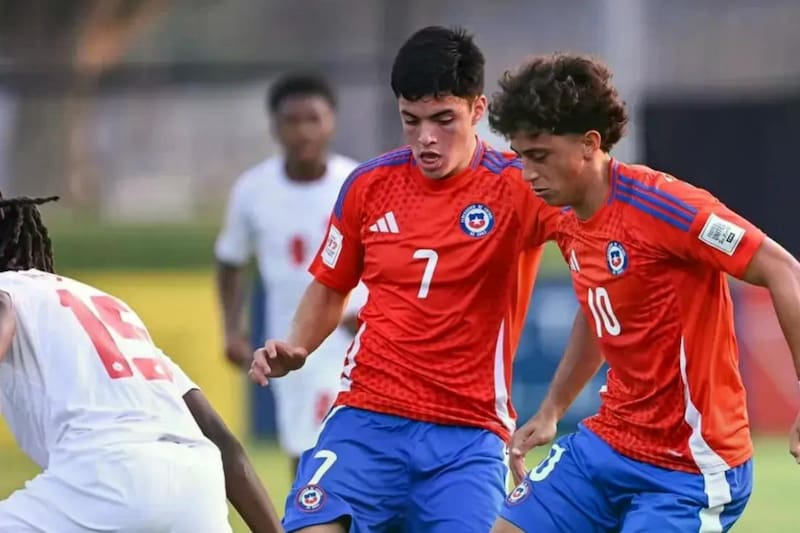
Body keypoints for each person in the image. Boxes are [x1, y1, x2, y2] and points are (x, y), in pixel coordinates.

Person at [247, 26, 572, 533]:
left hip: (468, 434)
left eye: (444, 120)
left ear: (478, 110)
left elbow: (597, 234)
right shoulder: (369, 185)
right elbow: (332, 284)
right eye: (411, 120)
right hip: (367, 418)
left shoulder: (519, 186)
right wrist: (298, 345)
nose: (426, 138)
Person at [487, 52, 800, 533]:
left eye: (540, 156)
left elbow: (783, 269)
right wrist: (551, 411)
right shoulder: (567, 218)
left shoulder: (666, 208)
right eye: (521, 156)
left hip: (690, 467)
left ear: (590, 144)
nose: (527, 174)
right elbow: (599, 313)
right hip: (608, 444)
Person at [0, 196, 283, 533]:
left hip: (106, 479)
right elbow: (226, 445)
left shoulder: (8, 291)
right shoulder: (103, 306)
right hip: (196, 483)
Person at [215, 72, 366, 474]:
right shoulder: (253, 189)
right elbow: (231, 260)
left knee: (362, 445)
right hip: (296, 343)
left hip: (360, 336)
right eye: (291, 121)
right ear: (275, 126)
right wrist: (232, 329)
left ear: (331, 121)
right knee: (305, 449)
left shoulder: (358, 182)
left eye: (312, 119)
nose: (302, 131)